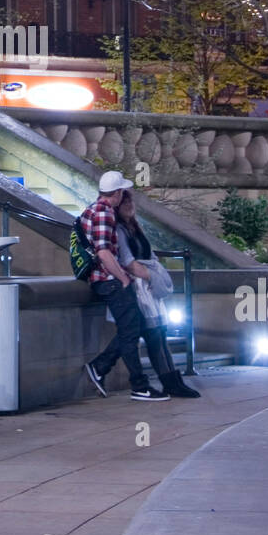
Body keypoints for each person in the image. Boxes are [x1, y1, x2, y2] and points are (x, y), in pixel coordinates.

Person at [80, 171, 168, 400]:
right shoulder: (104, 213)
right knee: (131, 331)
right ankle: (138, 385)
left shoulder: (92, 209)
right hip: (108, 281)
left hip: (104, 280)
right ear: (117, 193)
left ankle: (100, 367)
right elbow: (103, 252)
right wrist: (124, 278)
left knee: (133, 327)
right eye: (122, 192)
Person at [110, 191, 201, 398]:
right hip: (138, 287)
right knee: (150, 334)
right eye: (124, 201)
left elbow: (148, 254)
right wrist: (151, 276)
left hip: (148, 285)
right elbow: (128, 261)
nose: (129, 205)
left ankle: (172, 380)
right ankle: (165, 381)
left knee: (158, 332)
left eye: (130, 200)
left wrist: (154, 274)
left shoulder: (134, 227)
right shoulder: (120, 229)